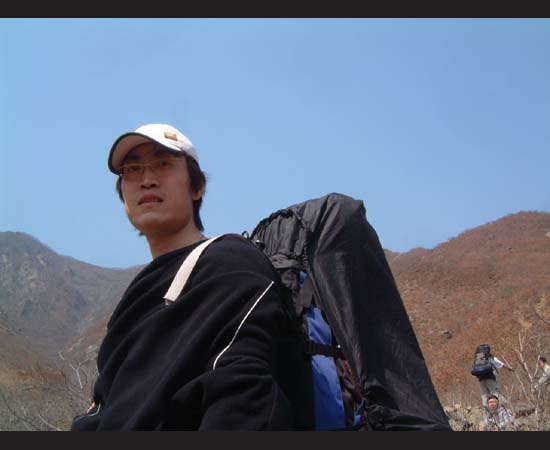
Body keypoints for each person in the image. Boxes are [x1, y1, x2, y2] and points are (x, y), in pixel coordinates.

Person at [70, 123, 302, 430]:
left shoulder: (228, 262)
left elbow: (243, 394)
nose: (147, 180)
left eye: (163, 164)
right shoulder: (136, 296)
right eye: (133, 169)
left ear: (197, 187)